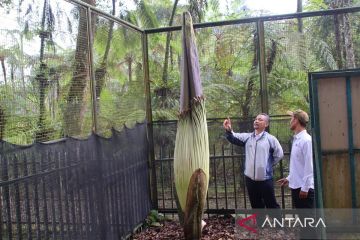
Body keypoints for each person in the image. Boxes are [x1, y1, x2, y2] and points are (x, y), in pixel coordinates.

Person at [223, 113, 284, 210]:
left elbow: (279, 154)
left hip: (265, 179)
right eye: (256, 119)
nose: (256, 121)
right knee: (256, 206)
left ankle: (278, 225)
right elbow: (234, 137)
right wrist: (228, 130)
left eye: (260, 120)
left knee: (271, 205)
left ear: (266, 124)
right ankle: (261, 225)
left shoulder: (271, 139)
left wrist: (268, 165)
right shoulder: (247, 137)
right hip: (250, 180)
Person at [277, 109, 315, 209]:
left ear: (296, 120)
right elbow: (298, 165)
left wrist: (305, 188)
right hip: (296, 186)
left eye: (291, 118)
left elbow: (309, 165)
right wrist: (289, 178)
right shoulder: (297, 139)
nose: (290, 121)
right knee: (303, 221)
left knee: (308, 221)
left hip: (304, 189)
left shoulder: (306, 140)